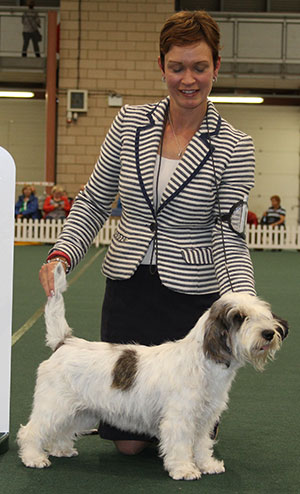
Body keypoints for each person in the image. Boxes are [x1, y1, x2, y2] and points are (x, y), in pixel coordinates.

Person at [39, 11, 256, 456]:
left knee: (182, 416)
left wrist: (244, 303)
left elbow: (228, 235)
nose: (188, 80)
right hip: (128, 283)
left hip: (190, 297)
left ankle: (195, 422)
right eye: (177, 67)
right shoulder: (128, 124)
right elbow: (96, 199)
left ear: (216, 66)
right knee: (130, 446)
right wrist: (62, 253)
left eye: (199, 67)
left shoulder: (236, 146)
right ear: (162, 67)